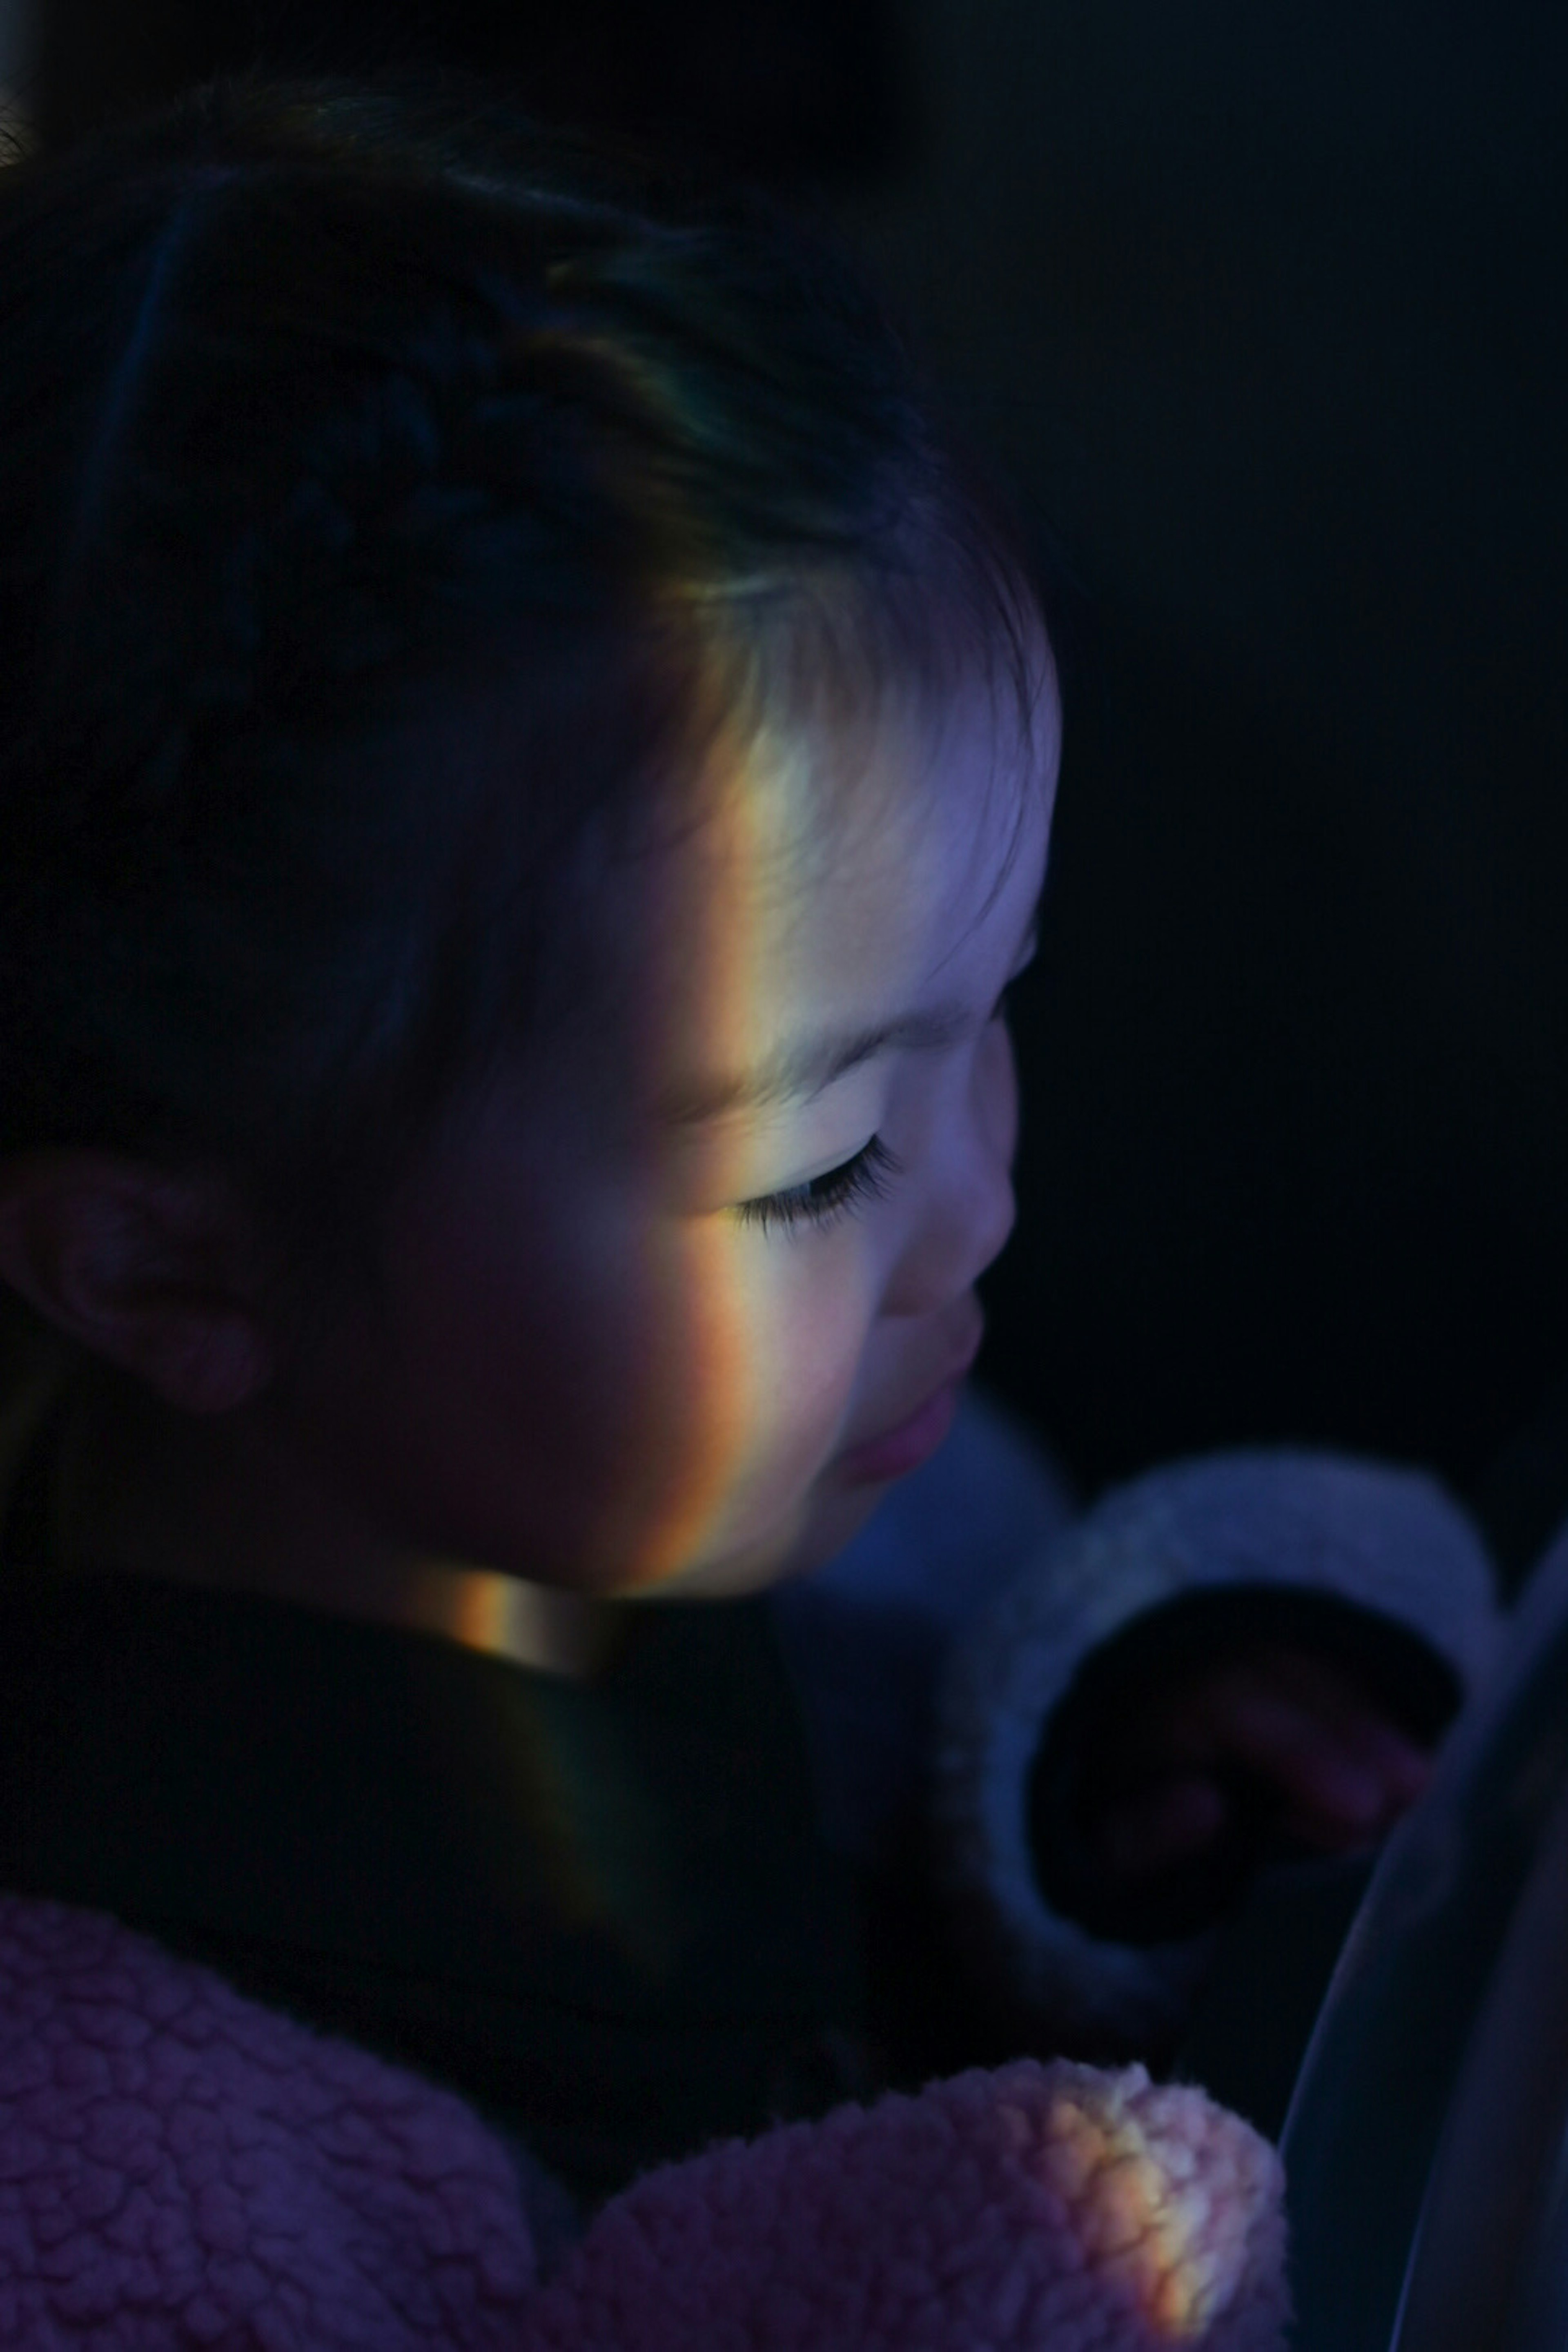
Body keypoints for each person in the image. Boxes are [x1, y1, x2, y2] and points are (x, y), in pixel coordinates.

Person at [0, 79, 1494, 2237]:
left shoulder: (831, 1521)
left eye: (1000, 1018)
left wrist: (1102, 1792)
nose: (975, 1205)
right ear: (155, 1270)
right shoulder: (114, 2123)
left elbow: (920, 1758)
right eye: (819, 1164)